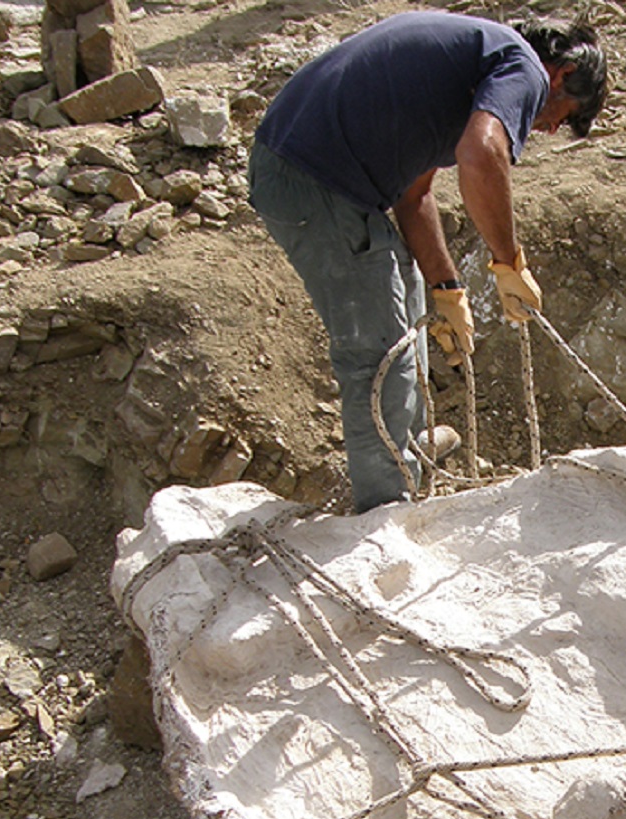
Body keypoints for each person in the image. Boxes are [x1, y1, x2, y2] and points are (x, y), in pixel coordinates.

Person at [248, 13, 607, 513]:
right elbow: (483, 154)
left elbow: (415, 196)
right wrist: (508, 262)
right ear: (563, 74)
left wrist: (447, 289)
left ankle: (409, 450)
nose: (548, 128)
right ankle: (386, 512)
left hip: (312, 168)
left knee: (409, 297)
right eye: (563, 115)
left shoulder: (469, 64)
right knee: (380, 351)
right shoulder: (522, 65)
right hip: (315, 180)